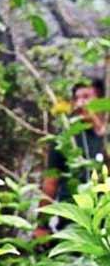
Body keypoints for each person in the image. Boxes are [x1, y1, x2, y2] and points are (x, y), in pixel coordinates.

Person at [36, 79, 107, 236]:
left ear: (101, 100)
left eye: (86, 97)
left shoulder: (105, 138)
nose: (80, 103)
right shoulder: (66, 139)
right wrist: (41, 225)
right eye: (76, 98)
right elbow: (50, 183)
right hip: (73, 224)